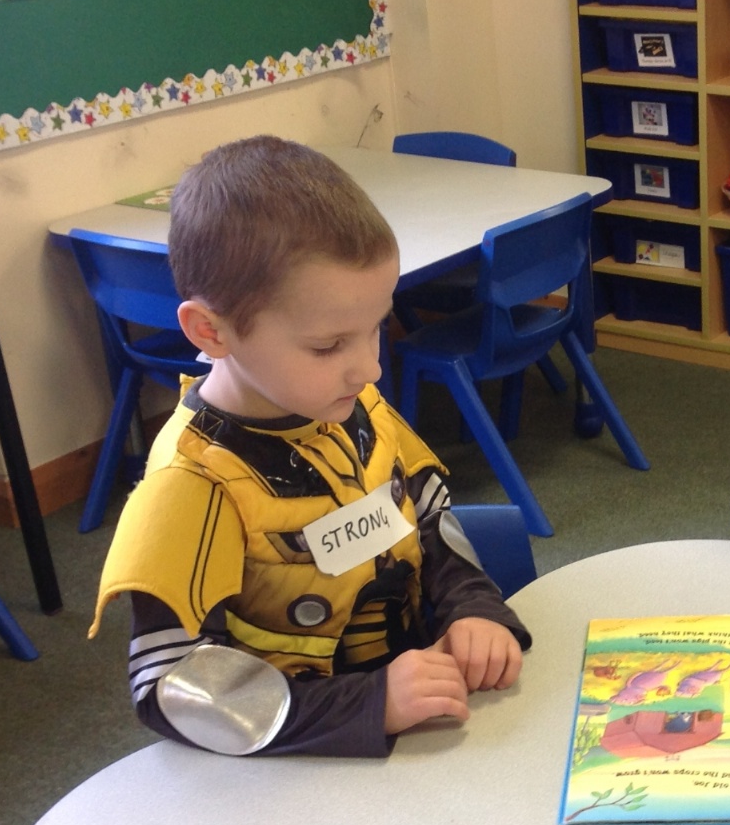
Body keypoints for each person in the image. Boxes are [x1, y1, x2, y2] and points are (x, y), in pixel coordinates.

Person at [89, 136, 529, 757]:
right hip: (298, 767)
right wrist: (370, 704)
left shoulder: (349, 401)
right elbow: (171, 684)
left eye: (375, 328)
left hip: (419, 724)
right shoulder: (190, 483)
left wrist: (472, 609)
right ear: (210, 330)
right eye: (328, 346)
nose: (370, 369)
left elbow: (430, 522)